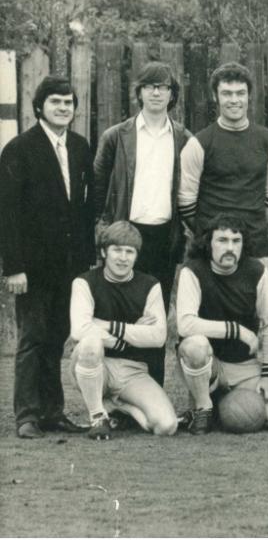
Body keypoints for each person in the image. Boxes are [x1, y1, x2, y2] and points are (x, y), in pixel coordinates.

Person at [0, 74, 94, 439]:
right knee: (32, 338)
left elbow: (85, 209)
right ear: (39, 107)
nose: (63, 108)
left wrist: (85, 261)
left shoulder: (81, 147)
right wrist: (14, 267)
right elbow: (7, 214)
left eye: (68, 102)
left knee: (57, 336)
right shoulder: (19, 150)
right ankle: (27, 415)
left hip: (69, 265)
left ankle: (53, 412)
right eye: (56, 102)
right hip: (32, 267)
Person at [93, 61, 193, 386]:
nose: (156, 92)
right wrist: (104, 233)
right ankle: (117, 395)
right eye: (149, 86)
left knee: (155, 318)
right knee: (119, 315)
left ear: (171, 94)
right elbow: (97, 190)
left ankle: (153, 391)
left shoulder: (183, 138)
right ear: (139, 93)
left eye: (163, 87)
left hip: (164, 238)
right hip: (125, 236)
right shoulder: (116, 136)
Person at [176, 213, 268, 434]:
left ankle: (220, 405)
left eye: (236, 241)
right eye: (222, 240)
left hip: (245, 365)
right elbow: (185, 324)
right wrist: (236, 330)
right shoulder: (192, 271)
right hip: (209, 363)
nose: (230, 247)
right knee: (195, 345)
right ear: (208, 243)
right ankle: (203, 406)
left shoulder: (257, 272)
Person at [69, 222, 177, 440]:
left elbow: (158, 337)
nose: (123, 258)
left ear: (136, 256)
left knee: (166, 426)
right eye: (116, 250)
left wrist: (106, 325)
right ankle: (98, 416)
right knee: (90, 343)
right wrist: (126, 337)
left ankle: (119, 407)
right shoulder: (84, 282)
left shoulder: (150, 285)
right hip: (97, 364)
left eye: (129, 252)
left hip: (133, 370)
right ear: (103, 252)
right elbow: (80, 330)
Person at [178, 62, 268, 267]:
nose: (234, 100)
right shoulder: (199, 143)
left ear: (248, 96)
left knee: (258, 298)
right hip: (209, 248)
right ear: (215, 97)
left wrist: (252, 227)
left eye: (240, 93)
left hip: (255, 245)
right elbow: (185, 201)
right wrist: (210, 231)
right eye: (227, 93)